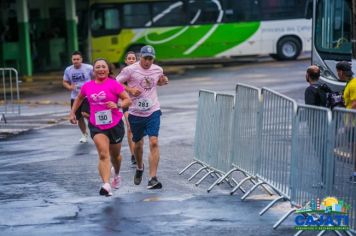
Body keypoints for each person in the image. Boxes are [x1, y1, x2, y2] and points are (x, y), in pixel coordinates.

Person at [70, 58, 131, 196]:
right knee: (103, 154)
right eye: (97, 67)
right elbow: (79, 98)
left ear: (108, 70)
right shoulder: (88, 86)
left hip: (115, 124)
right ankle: (106, 184)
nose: (100, 69)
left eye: (103, 67)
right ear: (93, 71)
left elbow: (128, 100)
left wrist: (118, 105)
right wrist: (73, 112)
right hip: (96, 125)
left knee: (116, 157)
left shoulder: (114, 84)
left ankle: (116, 174)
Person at [116, 45, 168, 189]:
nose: (148, 61)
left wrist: (162, 82)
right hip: (135, 112)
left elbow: (158, 81)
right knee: (138, 145)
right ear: (141, 57)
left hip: (153, 110)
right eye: (145, 58)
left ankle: (153, 178)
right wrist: (130, 89)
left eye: (150, 59)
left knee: (154, 142)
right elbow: (115, 83)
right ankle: (140, 167)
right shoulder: (130, 70)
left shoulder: (158, 69)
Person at [63, 51, 93, 143]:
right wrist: (69, 87)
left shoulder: (89, 68)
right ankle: (84, 134)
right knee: (79, 117)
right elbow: (64, 81)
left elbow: (96, 78)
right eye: (74, 59)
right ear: (72, 60)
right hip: (75, 97)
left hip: (87, 96)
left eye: (77, 59)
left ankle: (94, 130)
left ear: (81, 59)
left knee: (85, 113)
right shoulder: (68, 70)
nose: (76, 61)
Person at [338, 61, 356, 183]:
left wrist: (349, 121)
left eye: (337, 72)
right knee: (352, 149)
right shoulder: (349, 83)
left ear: (341, 72)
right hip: (350, 123)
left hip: (353, 123)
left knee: (354, 150)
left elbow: (355, 102)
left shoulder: (353, 84)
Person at [122, 51, 138, 166]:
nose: (131, 60)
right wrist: (130, 90)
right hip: (127, 103)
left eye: (133, 58)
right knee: (129, 128)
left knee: (138, 130)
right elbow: (117, 84)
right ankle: (133, 154)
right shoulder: (123, 73)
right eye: (129, 58)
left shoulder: (140, 72)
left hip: (139, 104)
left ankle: (137, 150)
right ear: (126, 61)